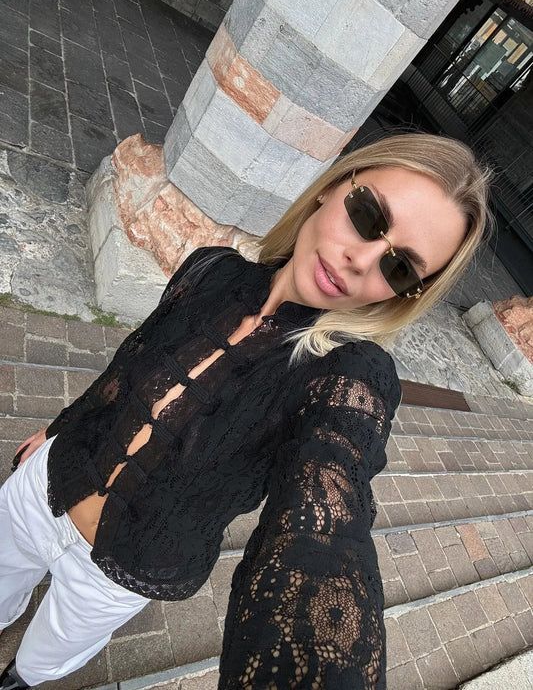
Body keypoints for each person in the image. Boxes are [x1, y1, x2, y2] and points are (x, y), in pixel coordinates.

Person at [0, 133, 491, 689]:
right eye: (367, 216)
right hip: (49, 481)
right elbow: (128, 366)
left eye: (399, 268)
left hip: (128, 567)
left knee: (44, 659)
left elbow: (329, 511)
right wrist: (58, 427)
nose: (361, 259)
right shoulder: (212, 270)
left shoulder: (348, 374)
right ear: (332, 188)